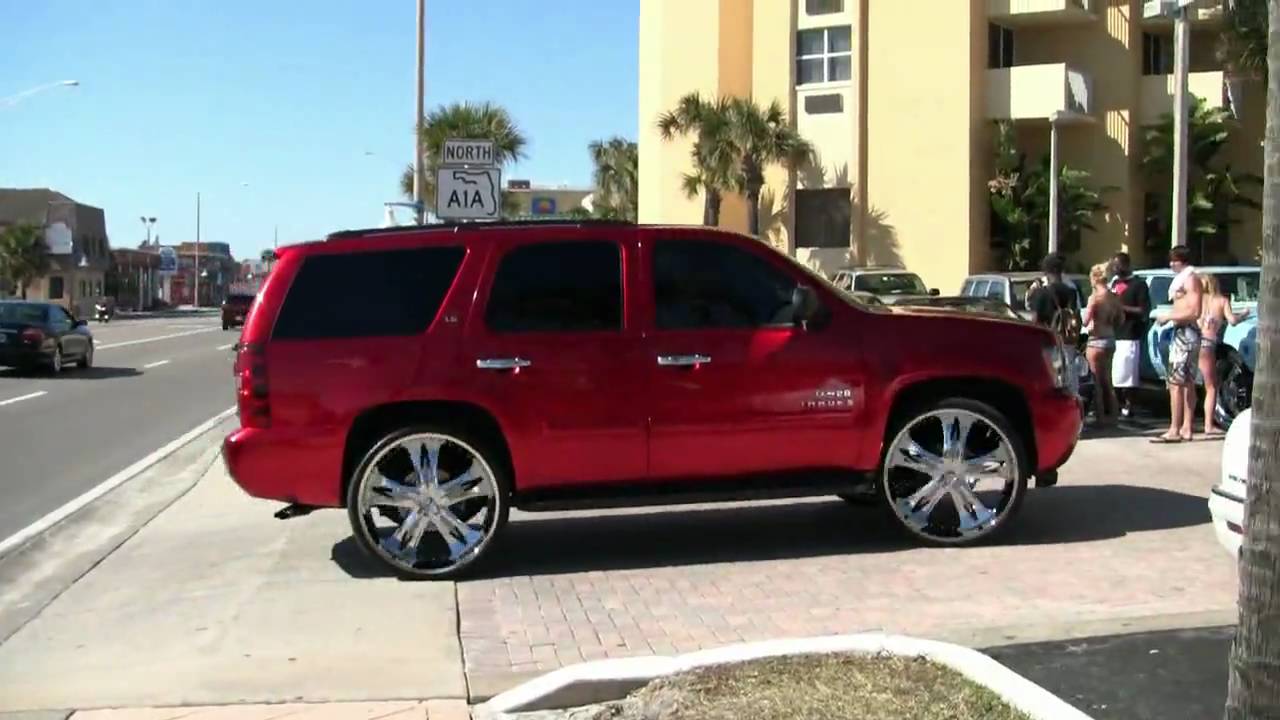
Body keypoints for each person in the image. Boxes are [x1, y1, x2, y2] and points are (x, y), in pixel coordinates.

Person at [1152, 245, 1202, 443]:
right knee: (1187, 382)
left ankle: (1175, 428)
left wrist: (1169, 316)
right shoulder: (1184, 279)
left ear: (1183, 261)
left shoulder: (1190, 279)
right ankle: (1186, 428)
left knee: (1176, 383)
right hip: (1183, 332)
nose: (1172, 264)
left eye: (1175, 260)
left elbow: (1195, 311)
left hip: (1186, 333)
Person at [1197, 272, 1251, 437]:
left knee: (1191, 386)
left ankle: (1185, 423)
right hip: (1209, 345)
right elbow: (1233, 321)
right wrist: (1244, 314)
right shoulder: (1221, 301)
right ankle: (1208, 424)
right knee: (1212, 387)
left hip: (1194, 343)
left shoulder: (1198, 302)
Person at [1027, 253, 1083, 393]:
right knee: (1069, 372)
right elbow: (1074, 313)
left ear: (1046, 271)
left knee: (1051, 374)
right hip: (1066, 338)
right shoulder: (1071, 292)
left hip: (1048, 339)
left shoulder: (1040, 293)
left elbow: (1035, 319)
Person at [1107, 252, 1151, 418]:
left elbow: (1143, 310)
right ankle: (1116, 404)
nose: (1115, 268)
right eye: (1113, 265)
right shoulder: (1115, 283)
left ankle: (1129, 405)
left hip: (1129, 334)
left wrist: (1121, 308)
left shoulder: (1139, 285)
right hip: (1113, 333)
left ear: (1126, 265)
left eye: (1117, 265)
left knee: (1128, 374)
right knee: (1114, 374)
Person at [1083, 263, 1122, 425]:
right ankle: (1113, 415)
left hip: (1096, 340)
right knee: (1108, 380)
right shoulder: (1114, 297)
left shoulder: (1095, 299)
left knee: (1097, 382)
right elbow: (1121, 319)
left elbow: (1085, 322)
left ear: (1095, 278)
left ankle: (1100, 417)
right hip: (1110, 338)